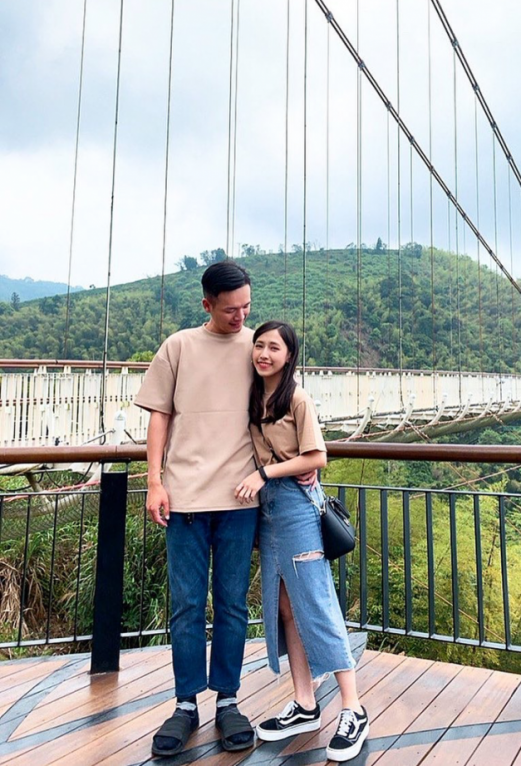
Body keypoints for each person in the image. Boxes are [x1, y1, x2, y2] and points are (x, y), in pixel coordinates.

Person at [135, 260, 259, 757]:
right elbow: (159, 417)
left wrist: (303, 460)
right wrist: (153, 482)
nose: (240, 316)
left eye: (247, 307)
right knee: (187, 607)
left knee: (232, 605)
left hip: (240, 499)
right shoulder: (178, 346)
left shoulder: (258, 347)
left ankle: (228, 701)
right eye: (230, 309)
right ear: (206, 304)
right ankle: (185, 704)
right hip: (184, 497)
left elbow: (282, 409)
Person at [234, 320, 369, 763]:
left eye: (274, 347)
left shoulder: (297, 397)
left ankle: (353, 708)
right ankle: (305, 703)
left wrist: (267, 473)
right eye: (259, 345)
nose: (264, 353)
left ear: (289, 355)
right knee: (284, 606)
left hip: (296, 507)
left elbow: (318, 457)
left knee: (316, 601)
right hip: (268, 512)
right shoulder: (255, 396)